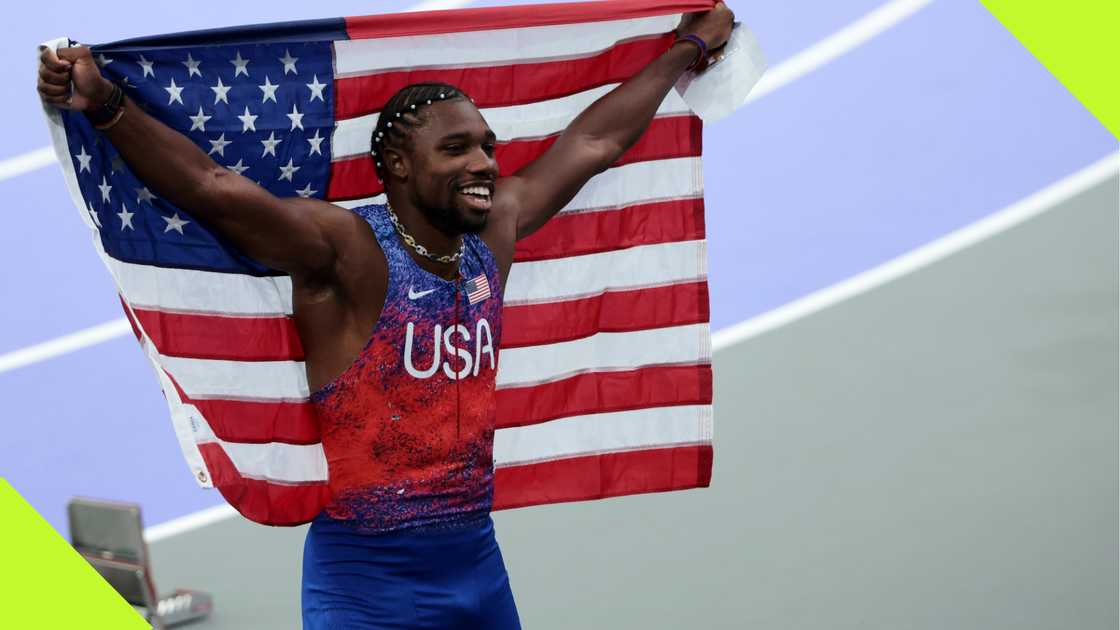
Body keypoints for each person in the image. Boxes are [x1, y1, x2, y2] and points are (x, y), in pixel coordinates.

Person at [38, 3, 734, 628]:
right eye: (456, 149)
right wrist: (107, 107)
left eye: (487, 146)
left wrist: (686, 52)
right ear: (398, 165)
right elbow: (211, 189)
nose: (485, 164)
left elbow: (592, 144)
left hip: (478, 571)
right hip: (366, 590)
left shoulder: (492, 235)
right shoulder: (345, 253)